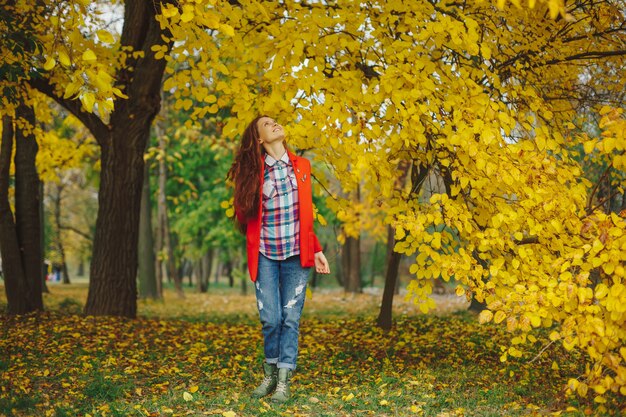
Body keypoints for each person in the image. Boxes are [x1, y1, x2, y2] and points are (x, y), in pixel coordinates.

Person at [227, 115, 330, 402]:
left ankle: (283, 380)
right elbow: (242, 215)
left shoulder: (302, 167)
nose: (275, 125)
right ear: (259, 139)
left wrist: (318, 249)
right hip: (265, 255)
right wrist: (253, 191)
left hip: (297, 254)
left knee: (290, 319)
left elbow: (306, 216)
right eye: (267, 124)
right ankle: (269, 375)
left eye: (275, 121)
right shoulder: (252, 173)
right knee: (271, 318)